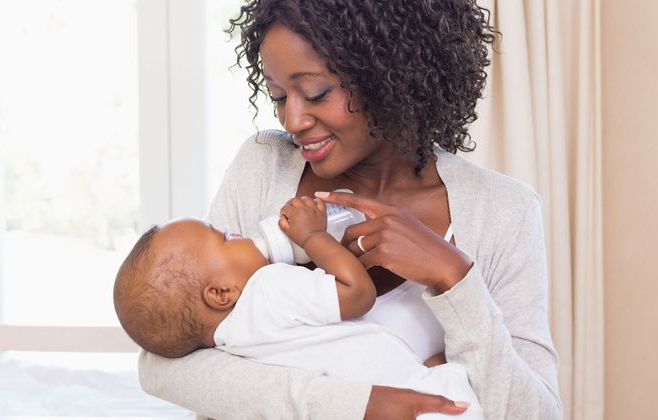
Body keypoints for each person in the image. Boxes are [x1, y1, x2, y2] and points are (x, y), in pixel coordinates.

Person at [138, 1, 562, 419]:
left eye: (316, 93)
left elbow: (535, 414)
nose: (293, 120)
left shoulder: (503, 211)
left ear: (392, 74)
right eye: (279, 96)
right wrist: (359, 404)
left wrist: (454, 277)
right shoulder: (264, 166)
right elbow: (165, 365)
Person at [113, 198, 482, 419]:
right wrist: (313, 236)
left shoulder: (229, 342)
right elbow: (357, 295)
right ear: (221, 293)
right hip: (405, 394)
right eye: (225, 237)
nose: (238, 233)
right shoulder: (267, 289)